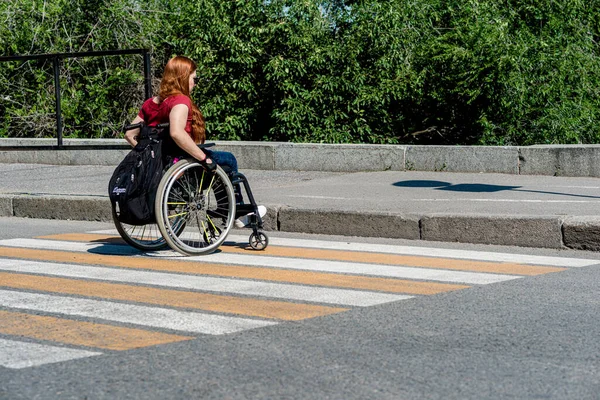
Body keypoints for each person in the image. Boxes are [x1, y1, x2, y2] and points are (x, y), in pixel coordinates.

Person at [125, 55, 265, 228]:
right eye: (194, 78)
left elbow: (130, 134)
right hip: (184, 165)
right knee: (227, 160)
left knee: (218, 159)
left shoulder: (150, 104)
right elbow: (176, 133)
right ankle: (232, 209)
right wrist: (203, 158)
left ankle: (228, 208)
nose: (195, 83)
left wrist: (147, 155)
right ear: (183, 77)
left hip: (160, 166)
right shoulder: (180, 102)